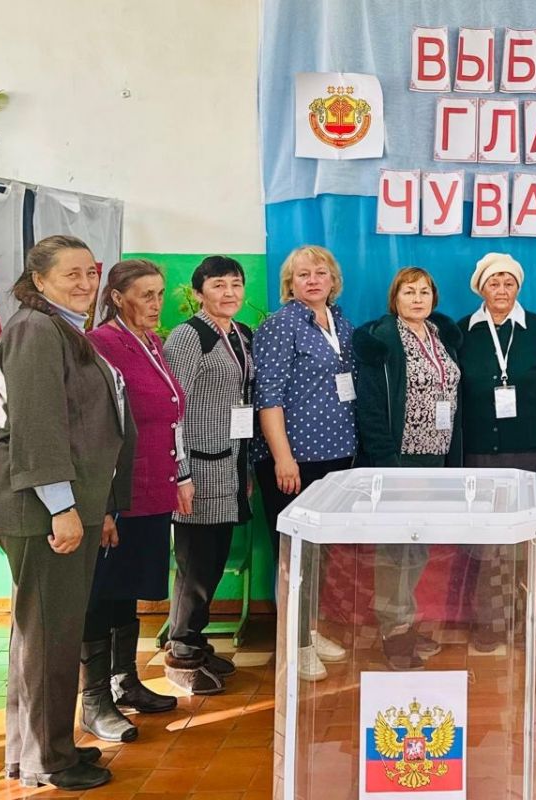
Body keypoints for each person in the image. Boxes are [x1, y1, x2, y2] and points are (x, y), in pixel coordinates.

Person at [0, 235, 134, 790]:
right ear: (38, 280)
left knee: (46, 636)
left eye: (91, 272)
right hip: (41, 510)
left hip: (64, 506)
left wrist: (95, 506)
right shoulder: (36, 331)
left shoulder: (62, 327)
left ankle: (40, 749)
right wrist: (63, 509)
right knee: (48, 640)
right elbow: (39, 429)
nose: (86, 283)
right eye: (71, 274)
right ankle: (48, 759)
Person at [79, 260, 182, 743]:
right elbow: (93, 430)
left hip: (151, 488)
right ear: (118, 298)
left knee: (127, 588)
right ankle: (94, 700)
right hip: (118, 493)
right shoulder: (101, 344)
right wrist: (101, 505)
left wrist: (181, 476)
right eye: (146, 295)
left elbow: (169, 414)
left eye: (160, 293)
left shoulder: (151, 342)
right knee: (102, 592)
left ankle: (125, 681)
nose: (156, 304)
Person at [252, 245, 356, 682]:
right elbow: (268, 397)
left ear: (333, 280)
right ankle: (295, 645)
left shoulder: (341, 322)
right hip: (295, 460)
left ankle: (309, 631)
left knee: (319, 556)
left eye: (320, 273)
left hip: (336, 457)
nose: (312, 280)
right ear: (289, 284)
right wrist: (283, 458)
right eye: (302, 275)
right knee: (293, 557)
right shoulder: (280, 326)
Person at [353, 267, 462, 670]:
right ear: (395, 299)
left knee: (417, 547)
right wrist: (390, 466)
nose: (417, 299)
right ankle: (393, 631)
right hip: (401, 460)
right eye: (409, 292)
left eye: (424, 292)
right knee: (396, 548)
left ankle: (405, 621)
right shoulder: (383, 340)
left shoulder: (439, 335)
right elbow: (371, 408)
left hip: (436, 459)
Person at [457, 253, 536, 651]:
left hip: (530, 452)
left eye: (509, 283)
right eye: (493, 283)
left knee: (526, 541)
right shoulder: (462, 330)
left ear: (518, 287)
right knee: (486, 543)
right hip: (479, 453)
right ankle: (489, 621)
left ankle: (527, 619)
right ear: (480, 288)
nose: (501, 290)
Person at [162, 256, 253, 694]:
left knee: (214, 561)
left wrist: (245, 465)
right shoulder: (189, 336)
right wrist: (180, 473)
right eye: (218, 285)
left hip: (229, 466)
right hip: (197, 469)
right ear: (199, 293)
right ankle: (181, 652)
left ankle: (195, 640)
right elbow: (171, 408)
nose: (229, 292)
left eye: (235, 284)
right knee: (195, 566)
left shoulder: (239, 334)